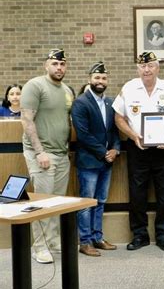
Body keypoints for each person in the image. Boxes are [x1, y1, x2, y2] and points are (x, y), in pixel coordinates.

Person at [112, 52, 164, 251]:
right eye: (143, 66)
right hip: (137, 148)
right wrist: (133, 136)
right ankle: (139, 235)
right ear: (137, 68)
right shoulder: (129, 88)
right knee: (137, 193)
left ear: (157, 67)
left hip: (163, 149)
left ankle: (162, 235)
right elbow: (118, 118)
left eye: (150, 66)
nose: (146, 70)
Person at [20, 48, 74, 264]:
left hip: (61, 153)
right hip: (41, 153)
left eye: (62, 64)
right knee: (42, 201)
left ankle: (52, 240)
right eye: (54, 64)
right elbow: (27, 120)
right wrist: (40, 151)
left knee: (56, 201)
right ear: (46, 65)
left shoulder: (67, 90)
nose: (59, 68)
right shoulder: (35, 86)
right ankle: (39, 246)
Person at [71, 61, 120, 257]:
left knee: (100, 201)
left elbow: (114, 130)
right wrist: (104, 152)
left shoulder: (110, 103)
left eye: (104, 78)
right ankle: (85, 241)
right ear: (89, 79)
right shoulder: (81, 102)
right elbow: (83, 134)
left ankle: (98, 237)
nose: (100, 81)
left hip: (107, 161)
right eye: (97, 78)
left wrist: (115, 149)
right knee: (87, 203)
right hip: (89, 162)